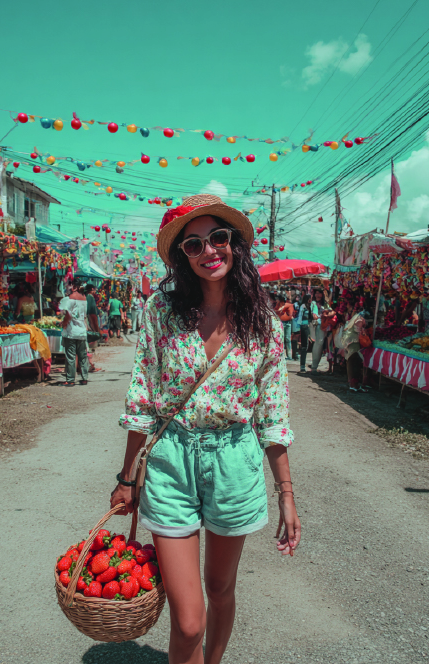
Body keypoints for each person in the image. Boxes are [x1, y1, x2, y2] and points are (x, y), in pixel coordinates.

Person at [112, 194, 300, 664]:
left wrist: (287, 494)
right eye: (193, 245)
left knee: (220, 588)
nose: (209, 251)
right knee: (188, 618)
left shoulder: (264, 325)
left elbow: (273, 417)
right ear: (182, 257)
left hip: (235, 459)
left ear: (234, 244)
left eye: (218, 238)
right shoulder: (162, 311)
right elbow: (141, 400)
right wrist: (126, 476)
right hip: (171, 459)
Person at [57, 282, 90, 385]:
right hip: (81, 331)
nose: (68, 287)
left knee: (71, 356)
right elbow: (84, 316)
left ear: (75, 287)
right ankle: (84, 378)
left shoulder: (71, 297)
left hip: (71, 332)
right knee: (82, 356)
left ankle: (70, 380)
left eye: (70, 285)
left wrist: (64, 323)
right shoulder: (84, 298)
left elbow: (69, 314)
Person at [336, 312, 372, 392]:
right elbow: (358, 331)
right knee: (353, 362)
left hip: (350, 341)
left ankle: (353, 385)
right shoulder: (359, 320)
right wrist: (363, 331)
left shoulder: (357, 318)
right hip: (353, 342)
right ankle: (353, 385)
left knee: (352, 362)